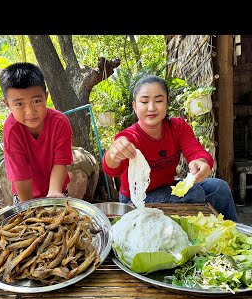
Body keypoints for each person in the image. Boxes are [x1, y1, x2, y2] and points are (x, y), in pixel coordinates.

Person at [102, 74, 238, 221]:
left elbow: (196, 151)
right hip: (135, 200)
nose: (152, 107)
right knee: (194, 194)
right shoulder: (130, 136)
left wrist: (201, 162)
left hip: (168, 188)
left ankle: (232, 235)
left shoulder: (178, 127)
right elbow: (111, 169)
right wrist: (113, 153)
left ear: (167, 104)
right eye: (144, 101)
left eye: (159, 100)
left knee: (219, 188)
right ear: (135, 106)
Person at [0, 62, 73, 204]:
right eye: (19, 104)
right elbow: (21, 175)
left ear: (46, 97)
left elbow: (60, 162)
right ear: (7, 104)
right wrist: (29, 207)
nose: (30, 112)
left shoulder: (60, 122)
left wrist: (54, 193)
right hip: (24, 195)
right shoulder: (11, 130)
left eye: (36, 101)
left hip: (56, 191)